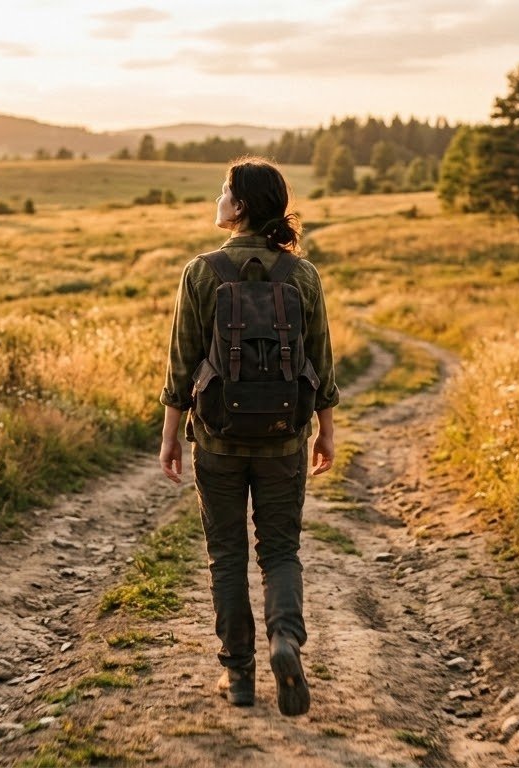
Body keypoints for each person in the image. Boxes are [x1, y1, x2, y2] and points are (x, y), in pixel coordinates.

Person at [159, 157, 339, 717]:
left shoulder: (201, 272)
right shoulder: (302, 275)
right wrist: (325, 431)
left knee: (227, 555)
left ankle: (238, 676)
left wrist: (171, 435)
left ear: (240, 207)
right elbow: (321, 362)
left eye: (223, 191)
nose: (218, 198)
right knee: (280, 551)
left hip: (217, 441)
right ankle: (285, 639)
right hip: (286, 439)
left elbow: (181, 364)